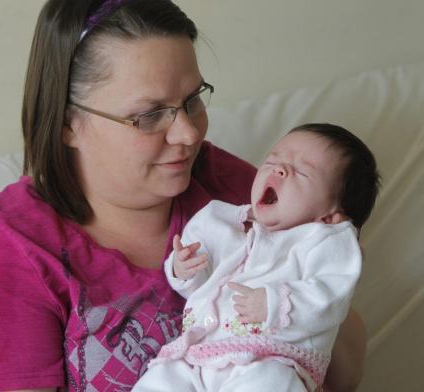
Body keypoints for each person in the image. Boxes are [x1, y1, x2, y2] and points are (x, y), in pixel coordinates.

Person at [0, 1, 367, 391]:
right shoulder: (12, 250)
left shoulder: (230, 187)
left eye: (192, 100)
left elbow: (337, 357)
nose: (189, 134)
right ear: (67, 123)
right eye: (148, 116)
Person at [132, 123, 381, 392]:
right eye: (273, 160)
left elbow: (330, 299)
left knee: (270, 383)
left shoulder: (326, 242)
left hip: (272, 360)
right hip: (196, 358)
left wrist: (274, 302)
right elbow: (200, 283)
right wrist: (184, 269)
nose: (278, 169)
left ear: (330, 217)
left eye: (301, 172)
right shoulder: (220, 221)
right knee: (162, 378)